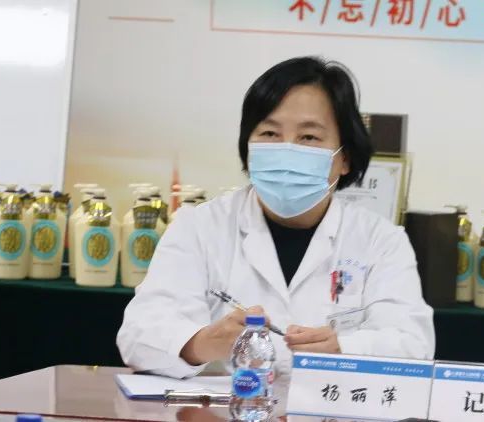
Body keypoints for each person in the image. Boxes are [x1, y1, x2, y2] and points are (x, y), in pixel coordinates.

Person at [117, 56, 435, 378]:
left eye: (309, 137)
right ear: (248, 149)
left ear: (345, 159)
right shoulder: (199, 227)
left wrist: (344, 350)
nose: (287, 150)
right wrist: (204, 343)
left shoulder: (381, 241)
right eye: (270, 133)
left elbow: (413, 345)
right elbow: (139, 336)